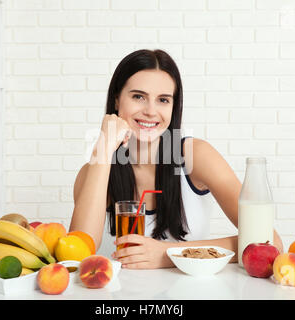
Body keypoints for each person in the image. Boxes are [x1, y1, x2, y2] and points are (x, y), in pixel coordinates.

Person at [69, 49, 283, 269]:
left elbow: (270, 242)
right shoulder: (94, 171)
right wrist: (104, 148)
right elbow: (77, 254)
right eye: (138, 97)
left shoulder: (195, 156)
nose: (151, 111)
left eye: (163, 100)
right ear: (116, 100)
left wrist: (169, 253)